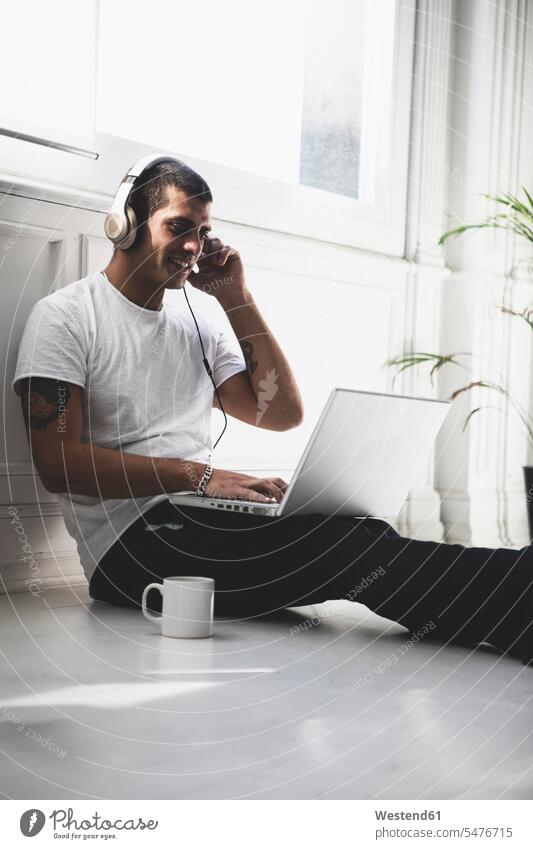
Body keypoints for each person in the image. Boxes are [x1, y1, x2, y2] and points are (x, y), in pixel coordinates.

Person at [12, 158, 533, 666]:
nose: (192, 247)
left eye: (202, 231)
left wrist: (235, 296)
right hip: (129, 554)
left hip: (195, 517)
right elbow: (59, 466)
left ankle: (514, 618)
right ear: (124, 223)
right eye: (178, 227)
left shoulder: (199, 326)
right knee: (347, 549)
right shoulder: (65, 318)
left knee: (360, 532)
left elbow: (279, 413)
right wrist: (202, 477)